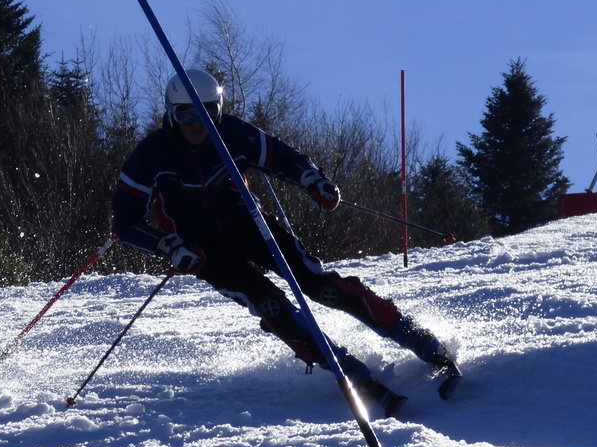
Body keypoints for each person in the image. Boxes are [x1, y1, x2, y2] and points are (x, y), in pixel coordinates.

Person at [112, 69, 461, 417]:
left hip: (246, 223)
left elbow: (281, 157)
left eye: (207, 112)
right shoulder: (152, 155)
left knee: (320, 286)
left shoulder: (233, 133)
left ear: (219, 108)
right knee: (271, 306)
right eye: (186, 113)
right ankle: (345, 368)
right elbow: (126, 222)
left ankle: (414, 335)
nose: (197, 123)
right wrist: (168, 247)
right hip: (202, 249)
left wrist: (313, 180)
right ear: (171, 112)